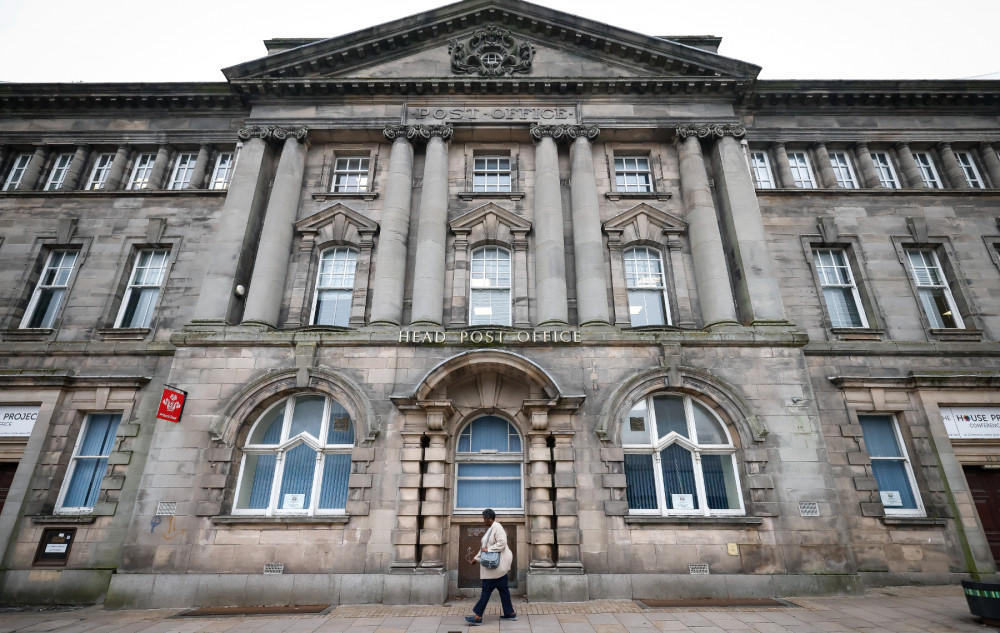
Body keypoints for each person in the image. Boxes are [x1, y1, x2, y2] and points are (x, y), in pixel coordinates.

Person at [465, 508, 516, 626]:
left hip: (495, 568)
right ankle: (510, 614)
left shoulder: (497, 527)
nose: (483, 521)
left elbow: (502, 543)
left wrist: (489, 549)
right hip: (497, 569)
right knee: (503, 590)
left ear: (489, 518)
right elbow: (484, 547)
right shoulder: (491, 529)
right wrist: (476, 559)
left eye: (484, 518)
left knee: (486, 590)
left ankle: (478, 616)